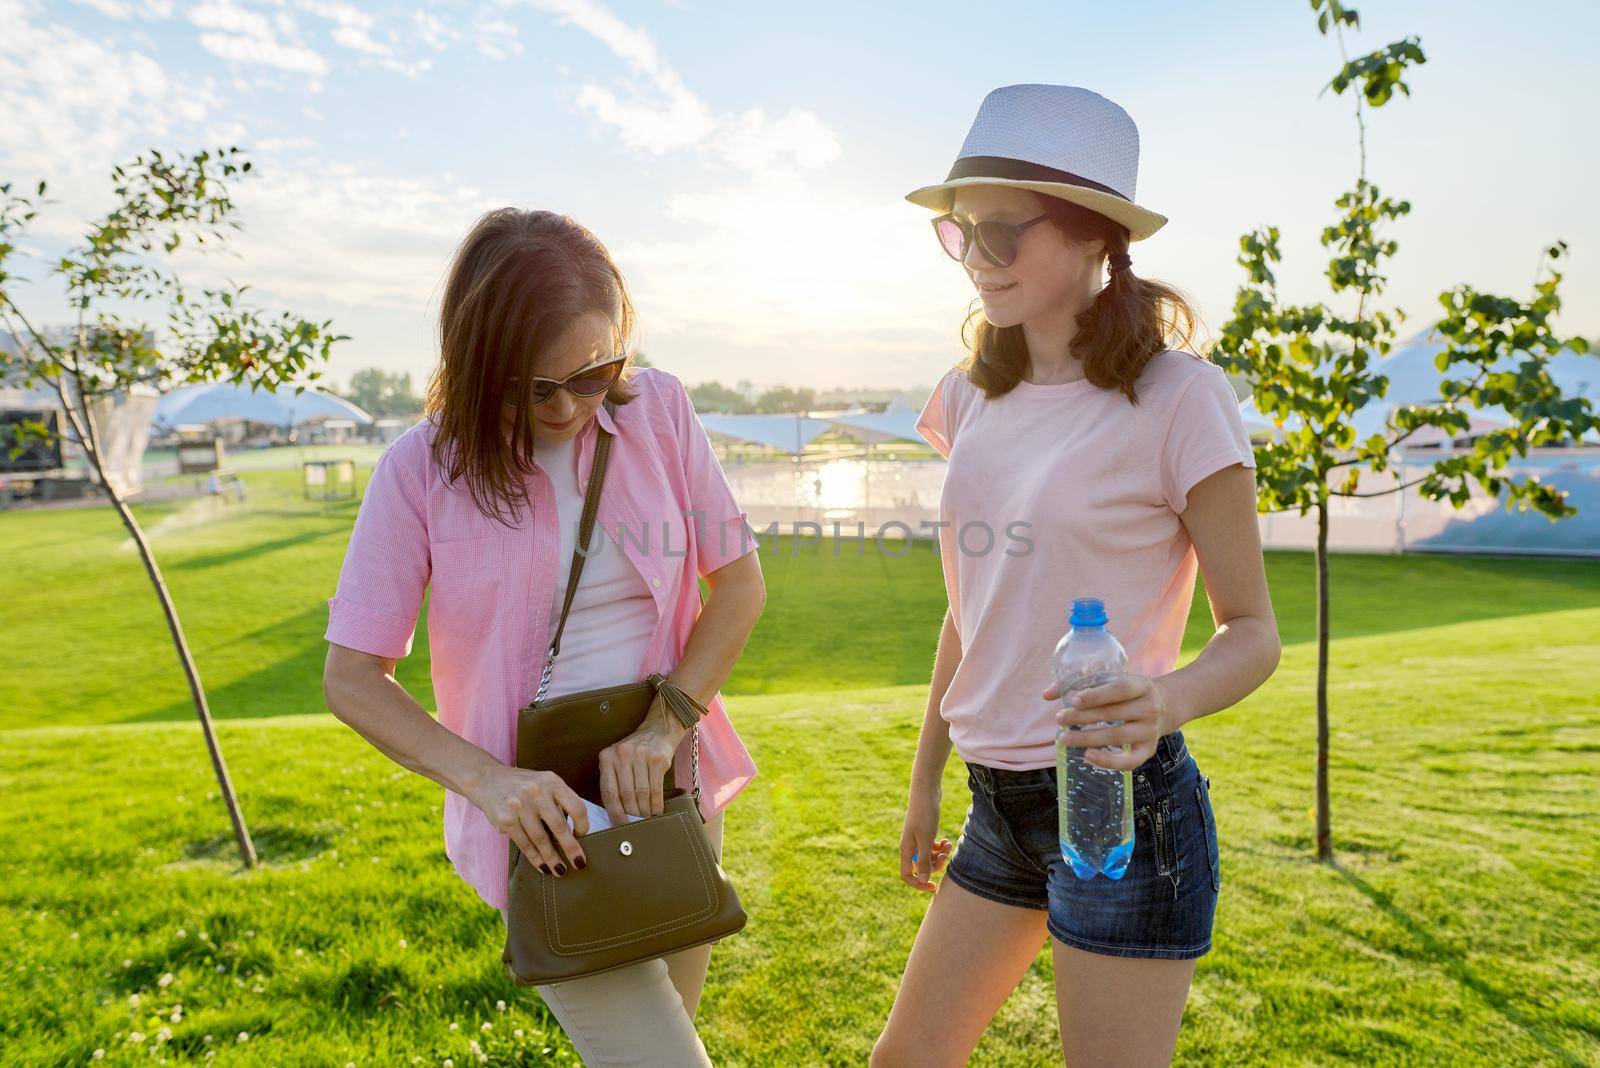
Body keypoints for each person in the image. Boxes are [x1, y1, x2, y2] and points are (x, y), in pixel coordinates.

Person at [873, 84, 1282, 1067]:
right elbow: (970, 609)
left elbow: (1252, 631)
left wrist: (1163, 700)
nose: (975, 260)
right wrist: (926, 781)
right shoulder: (969, 397)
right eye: (960, 233)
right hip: (997, 805)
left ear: (1096, 235)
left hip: (1118, 806)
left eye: (1002, 234)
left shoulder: (1180, 398)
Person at [321, 208, 764, 1066]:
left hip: (670, 798)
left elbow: (740, 583)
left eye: (595, 373)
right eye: (536, 388)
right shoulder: (420, 471)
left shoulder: (660, 411)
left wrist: (667, 722)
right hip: (544, 835)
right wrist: (491, 784)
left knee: (662, 1045)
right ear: (479, 365)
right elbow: (351, 677)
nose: (570, 406)